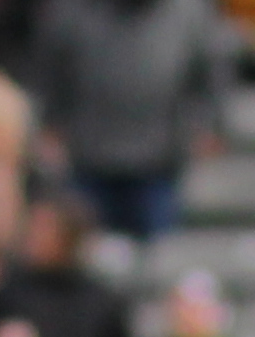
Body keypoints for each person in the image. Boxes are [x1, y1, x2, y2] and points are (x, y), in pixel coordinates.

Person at [25, 0, 226, 242]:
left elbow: (212, 76)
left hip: (159, 167)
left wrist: (208, 126)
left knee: (161, 251)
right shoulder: (73, 11)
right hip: (87, 164)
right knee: (87, 253)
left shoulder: (189, 12)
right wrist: (49, 126)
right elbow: (49, 75)